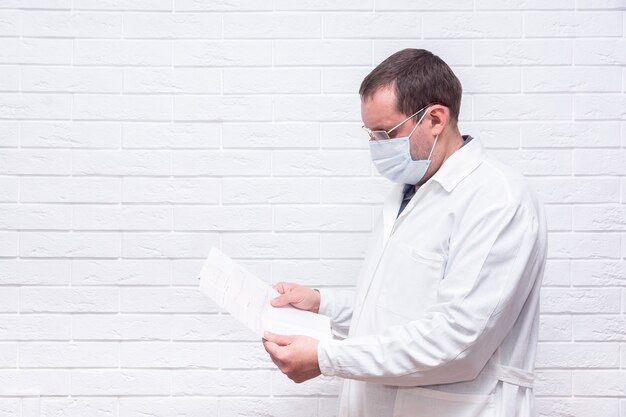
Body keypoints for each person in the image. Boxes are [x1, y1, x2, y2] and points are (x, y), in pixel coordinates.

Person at [262, 48, 548, 417]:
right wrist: (321, 304)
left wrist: (325, 357)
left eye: (385, 133)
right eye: (370, 134)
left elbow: (457, 342)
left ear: (435, 118)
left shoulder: (498, 200)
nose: (376, 146)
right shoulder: (408, 193)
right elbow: (395, 313)